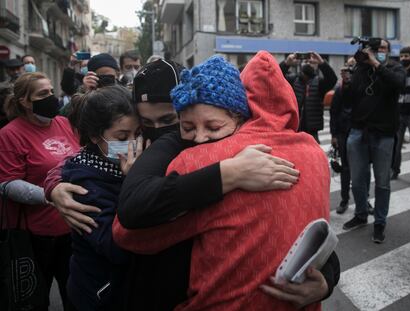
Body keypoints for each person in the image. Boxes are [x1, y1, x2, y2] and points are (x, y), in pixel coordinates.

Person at [45, 59, 338, 310]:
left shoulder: (240, 151)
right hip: (115, 291)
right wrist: (53, 185)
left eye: (169, 119)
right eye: (147, 123)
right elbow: (85, 165)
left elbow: (294, 221)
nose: (158, 132)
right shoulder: (162, 146)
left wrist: (327, 278)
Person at [0, 72, 79, 310]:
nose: (51, 98)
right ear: (25, 101)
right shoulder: (9, 134)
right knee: (35, 302)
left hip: (73, 229)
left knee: (75, 297)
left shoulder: (64, 123)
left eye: (52, 92)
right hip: (36, 236)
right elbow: (7, 184)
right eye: (43, 94)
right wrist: (51, 195)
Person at [62, 85, 141, 311]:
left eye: (138, 133)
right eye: (123, 136)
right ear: (96, 136)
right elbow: (115, 248)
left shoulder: (114, 166)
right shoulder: (84, 184)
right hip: (98, 296)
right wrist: (133, 183)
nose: (134, 143)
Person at [342, 39, 406, 243]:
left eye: (382, 49)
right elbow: (350, 100)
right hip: (359, 131)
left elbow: (399, 84)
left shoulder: (395, 67)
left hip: (384, 134)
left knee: (382, 182)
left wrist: (377, 65)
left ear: (388, 52)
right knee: (358, 180)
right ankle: (361, 214)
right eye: (374, 50)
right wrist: (346, 81)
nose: (377, 52)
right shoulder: (361, 69)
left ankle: (380, 222)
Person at [330, 66, 374, 215]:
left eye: (351, 70)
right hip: (343, 133)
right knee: (346, 169)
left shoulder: (364, 89)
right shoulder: (340, 90)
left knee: (365, 170)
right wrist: (334, 135)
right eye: (345, 71)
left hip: (362, 132)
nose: (347, 74)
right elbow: (333, 113)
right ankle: (344, 200)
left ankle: (365, 200)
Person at [280, 52, 337, 143]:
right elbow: (277, 77)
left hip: (312, 132)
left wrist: (322, 63)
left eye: (311, 62)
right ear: (300, 65)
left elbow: (332, 79)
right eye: (305, 61)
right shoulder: (293, 80)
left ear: (315, 66)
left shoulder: (320, 83)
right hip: (294, 130)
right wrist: (286, 63)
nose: (308, 63)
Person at [391, 46, 410, 179]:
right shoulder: (397, 71)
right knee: (396, 145)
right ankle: (395, 171)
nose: (403, 59)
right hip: (398, 114)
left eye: (406, 56)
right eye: (401, 56)